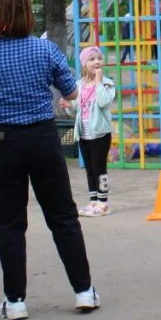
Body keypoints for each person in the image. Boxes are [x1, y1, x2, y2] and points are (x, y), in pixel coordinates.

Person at [0, 0, 99, 320]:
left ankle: (16, 301)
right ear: (27, 13)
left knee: (10, 223)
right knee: (63, 216)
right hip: (43, 140)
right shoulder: (46, 50)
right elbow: (69, 89)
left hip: (5, 143)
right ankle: (83, 291)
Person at [60, 46, 116, 217]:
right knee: (90, 168)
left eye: (99, 58)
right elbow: (76, 109)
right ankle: (93, 201)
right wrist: (68, 106)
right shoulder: (79, 85)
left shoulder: (107, 83)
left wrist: (99, 81)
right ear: (84, 64)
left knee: (100, 168)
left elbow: (103, 102)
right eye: (92, 59)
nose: (97, 62)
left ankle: (103, 203)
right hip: (83, 132)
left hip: (100, 133)